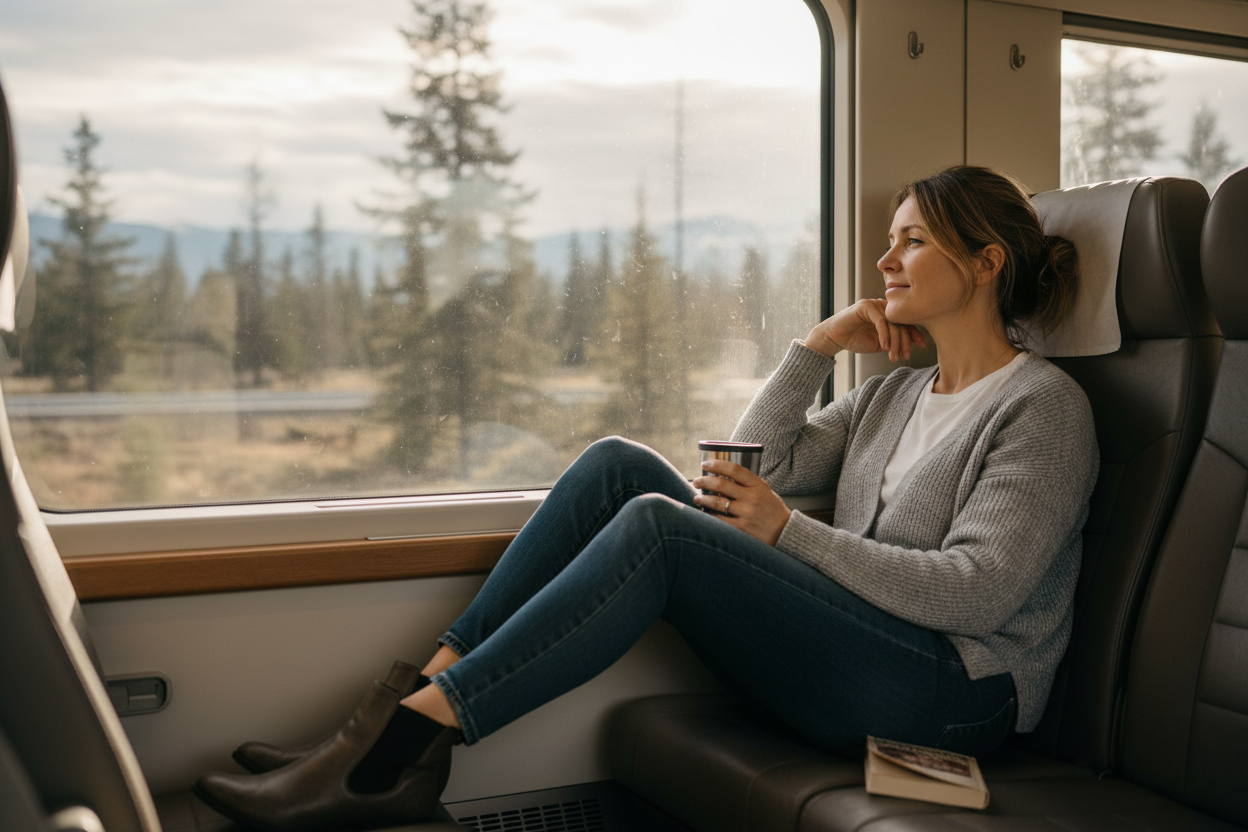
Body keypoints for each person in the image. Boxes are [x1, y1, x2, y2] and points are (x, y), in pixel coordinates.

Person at [194, 165, 1098, 831]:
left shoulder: (1043, 407)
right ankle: (395, 722)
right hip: (865, 652)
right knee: (618, 466)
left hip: (952, 696)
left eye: (912, 241)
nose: (884, 257)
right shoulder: (895, 394)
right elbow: (760, 471)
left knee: (663, 532)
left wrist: (788, 535)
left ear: (985, 263)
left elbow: (979, 591)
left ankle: (392, 752)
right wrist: (816, 349)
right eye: (891, 238)